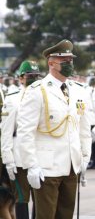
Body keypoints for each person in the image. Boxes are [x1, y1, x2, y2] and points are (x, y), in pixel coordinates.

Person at [16, 39, 92, 219]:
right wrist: (31, 165)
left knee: (66, 215)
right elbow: (25, 132)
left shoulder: (78, 90)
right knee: (46, 216)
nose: (69, 64)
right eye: (64, 61)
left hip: (71, 165)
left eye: (71, 60)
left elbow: (83, 127)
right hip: (47, 167)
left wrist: (84, 158)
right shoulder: (37, 90)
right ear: (51, 63)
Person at [1, 60, 40, 218]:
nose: (33, 79)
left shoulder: (44, 95)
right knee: (21, 199)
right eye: (29, 75)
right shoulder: (13, 99)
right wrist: (8, 159)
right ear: (21, 78)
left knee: (40, 200)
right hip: (19, 157)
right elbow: (6, 131)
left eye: (36, 76)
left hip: (40, 156)